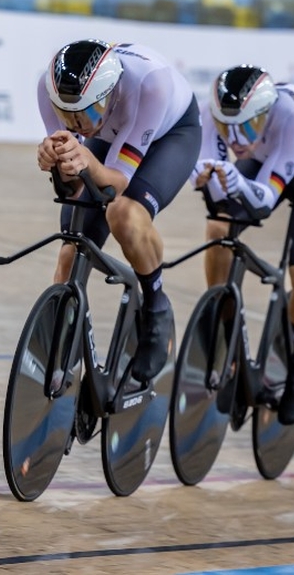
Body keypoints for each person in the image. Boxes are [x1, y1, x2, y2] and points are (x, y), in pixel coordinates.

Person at [36, 39, 201, 384]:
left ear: (109, 94)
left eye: (85, 113)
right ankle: (62, 350)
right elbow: (72, 189)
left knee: (124, 215)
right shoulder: (48, 90)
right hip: (115, 133)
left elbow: (116, 184)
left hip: (170, 136)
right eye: (67, 115)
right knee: (72, 246)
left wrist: (87, 162)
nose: (77, 124)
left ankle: (156, 307)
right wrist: (57, 164)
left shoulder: (150, 83)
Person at [190, 66, 294, 425]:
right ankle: (224, 324)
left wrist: (230, 180)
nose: (235, 138)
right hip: (262, 166)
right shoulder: (212, 114)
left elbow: (263, 200)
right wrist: (205, 178)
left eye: (245, 127)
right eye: (226, 129)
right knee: (218, 228)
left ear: (265, 115)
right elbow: (210, 187)